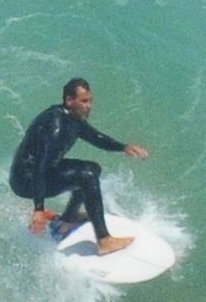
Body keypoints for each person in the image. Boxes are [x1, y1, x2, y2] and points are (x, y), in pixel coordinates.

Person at [10, 77, 148, 253]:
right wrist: (39, 209)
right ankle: (104, 241)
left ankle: (69, 219)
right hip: (25, 180)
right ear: (69, 100)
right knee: (87, 176)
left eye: (90, 100)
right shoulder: (55, 126)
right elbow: (39, 166)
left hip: (44, 171)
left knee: (92, 169)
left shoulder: (73, 119)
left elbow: (95, 137)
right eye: (84, 101)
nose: (89, 105)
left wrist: (124, 147)